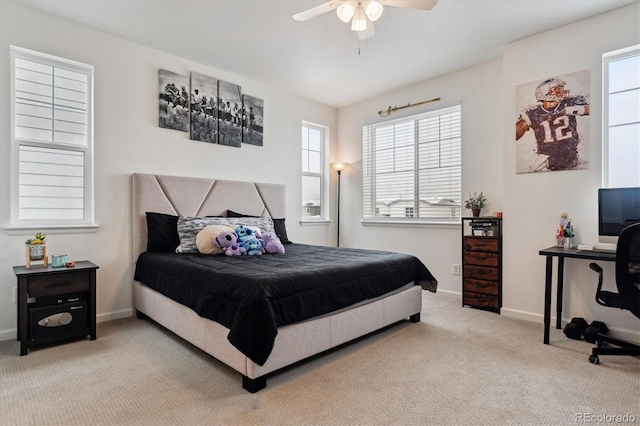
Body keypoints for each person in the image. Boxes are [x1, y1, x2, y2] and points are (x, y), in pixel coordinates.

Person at [516, 77, 589, 171]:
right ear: (545, 93)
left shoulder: (569, 103)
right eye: (557, 90)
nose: (562, 92)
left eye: (561, 89)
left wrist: (574, 109)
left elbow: (591, 108)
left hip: (571, 155)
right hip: (546, 159)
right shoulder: (533, 112)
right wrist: (523, 122)